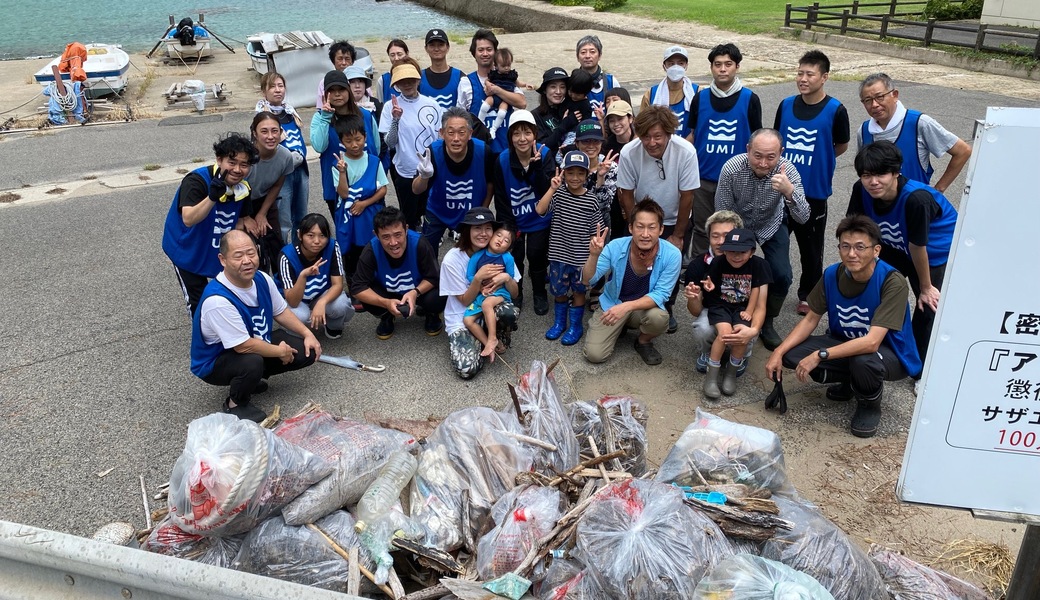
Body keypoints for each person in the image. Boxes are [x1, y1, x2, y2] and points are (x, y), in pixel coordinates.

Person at [765, 215, 922, 438]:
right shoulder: (832, 274)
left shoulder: (891, 281)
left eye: (860, 247)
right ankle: (851, 381)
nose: (851, 254)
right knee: (792, 354)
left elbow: (872, 342)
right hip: (845, 341)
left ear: (876, 250)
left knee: (864, 360)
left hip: (890, 353)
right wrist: (778, 352)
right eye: (845, 247)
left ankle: (869, 404)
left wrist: (820, 354)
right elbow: (811, 318)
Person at [190, 230, 321, 423]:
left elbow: (281, 311)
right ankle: (235, 403)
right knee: (252, 362)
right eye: (238, 256)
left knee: (303, 350)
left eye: (251, 253)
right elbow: (243, 346)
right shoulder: (218, 300)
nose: (247, 260)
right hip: (215, 361)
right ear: (223, 260)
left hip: (252, 342)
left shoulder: (261, 278)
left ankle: (250, 380)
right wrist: (279, 351)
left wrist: (308, 333)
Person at [846, 140, 957, 366]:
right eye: (866, 175)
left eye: (881, 175)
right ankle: (873, 337)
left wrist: (926, 287)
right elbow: (855, 227)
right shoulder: (861, 189)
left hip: (932, 251)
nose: (873, 182)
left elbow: (918, 247)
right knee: (873, 285)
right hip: (895, 245)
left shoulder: (917, 199)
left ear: (896, 173)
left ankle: (919, 367)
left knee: (927, 306)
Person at [714, 128, 809, 350]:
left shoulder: (788, 171)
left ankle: (767, 320)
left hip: (771, 223)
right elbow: (722, 211)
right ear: (748, 150)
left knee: (782, 274)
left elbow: (803, 217)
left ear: (781, 153)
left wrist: (789, 192)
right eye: (757, 155)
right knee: (733, 268)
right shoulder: (732, 168)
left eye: (770, 157)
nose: (764, 163)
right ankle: (733, 311)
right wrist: (734, 244)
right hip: (739, 223)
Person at [773, 50, 850, 316]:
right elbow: (776, 142)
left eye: (810, 74)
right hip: (781, 188)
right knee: (775, 242)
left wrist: (820, 160)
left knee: (811, 250)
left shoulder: (836, 110)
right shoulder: (785, 105)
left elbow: (840, 145)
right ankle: (771, 288)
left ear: (824, 77)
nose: (803, 79)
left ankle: (809, 295)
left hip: (813, 193)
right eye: (799, 73)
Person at [617, 105, 700, 333]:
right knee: (633, 261)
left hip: (676, 216)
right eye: (646, 137)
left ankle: (666, 306)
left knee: (669, 263)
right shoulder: (629, 152)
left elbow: (688, 195)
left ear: (669, 134)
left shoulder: (686, 151)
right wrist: (635, 225)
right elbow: (625, 191)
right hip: (642, 216)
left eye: (658, 137)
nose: (651, 142)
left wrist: (678, 234)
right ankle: (630, 305)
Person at [163, 133, 257, 316]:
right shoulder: (196, 181)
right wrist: (212, 197)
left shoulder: (242, 188)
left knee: (228, 294)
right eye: (232, 162)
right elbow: (188, 218)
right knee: (197, 302)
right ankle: (204, 341)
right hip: (187, 249)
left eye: (244, 165)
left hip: (215, 248)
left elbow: (239, 221)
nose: (237, 169)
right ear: (219, 160)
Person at [583, 199, 682, 365]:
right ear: (630, 228)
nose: (645, 234)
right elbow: (587, 280)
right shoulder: (615, 246)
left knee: (660, 318)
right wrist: (593, 255)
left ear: (661, 229)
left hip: (642, 308)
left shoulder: (672, 254)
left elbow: (662, 294)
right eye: (640, 226)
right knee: (594, 355)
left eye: (652, 227)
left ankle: (643, 341)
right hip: (613, 303)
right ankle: (619, 327)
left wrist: (626, 307)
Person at [688, 43, 763, 260]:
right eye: (717, 64)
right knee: (702, 228)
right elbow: (692, 134)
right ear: (711, 67)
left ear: (737, 67)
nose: (722, 69)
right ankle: (698, 269)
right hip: (703, 177)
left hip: (737, 179)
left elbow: (757, 139)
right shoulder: (700, 98)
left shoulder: (750, 99)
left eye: (728, 64)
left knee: (733, 231)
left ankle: (732, 270)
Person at [440, 207, 521, 379]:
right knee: (466, 369)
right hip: (463, 314)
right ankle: (487, 342)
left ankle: (497, 334)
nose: (483, 233)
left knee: (509, 311)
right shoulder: (452, 260)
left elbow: (514, 294)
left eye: (488, 228)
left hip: (490, 305)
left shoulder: (502, 254)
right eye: (477, 228)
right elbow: (463, 301)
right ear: (467, 231)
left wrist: (507, 278)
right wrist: (477, 279)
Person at [856, 73, 971, 193]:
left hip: (914, 206)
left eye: (880, 97)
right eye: (868, 100)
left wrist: (938, 190)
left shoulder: (919, 123)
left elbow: (963, 151)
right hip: (877, 207)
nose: (874, 104)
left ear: (895, 95)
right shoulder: (864, 131)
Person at [695, 228, 772, 399]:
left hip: (743, 309)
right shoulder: (718, 262)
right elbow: (710, 285)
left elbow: (757, 294)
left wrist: (751, 316)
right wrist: (708, 286)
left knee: (740, 336)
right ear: (725, 250)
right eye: (731, 251)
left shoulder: (760, 266)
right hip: (720, 306)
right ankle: (712, 376)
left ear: (752, 252)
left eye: (742, 252)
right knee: (724, 334)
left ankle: (731, 373)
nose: (736, 256)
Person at [535, 151, 602, 346]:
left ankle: (575, 326)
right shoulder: (559, 193)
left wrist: (593, 250)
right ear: (563, 173)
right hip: (558, 255)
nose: (575, 178)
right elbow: (540, 210)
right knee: (559, 291)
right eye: (570, 172)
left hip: (580, 258)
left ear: (587, 174)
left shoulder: (591, 200)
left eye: (580, 173)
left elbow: (594, 230)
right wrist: (552, 189)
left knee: (579, 292)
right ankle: (559, 323)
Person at [349, 207, 446, 339]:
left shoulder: (420, 243)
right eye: (386, 237)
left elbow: (434, 277)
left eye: (398, 234)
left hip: (419, 291)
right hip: (388, 293)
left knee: (440, 293)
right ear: (376, 235)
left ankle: (431, 313)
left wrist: (415, 292)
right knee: (367, 295)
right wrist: (384, 302)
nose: (393, 242)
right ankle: (386, 315)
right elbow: (357, 287)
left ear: (406, 229)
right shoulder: (370, 250)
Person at [492, 110, 554, 314]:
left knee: (536, 255)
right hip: (514, 218)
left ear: (534, 134)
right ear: (510, 137)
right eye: (516, 133)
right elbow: (500, 197)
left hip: (539, 216)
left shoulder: (544, 154)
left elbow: (546, 190)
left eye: (527, 132)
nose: (522, 138)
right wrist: (508, 227)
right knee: (515, 257)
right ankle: (516, 293)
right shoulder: (502, 160)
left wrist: (535, 168)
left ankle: (539, 293)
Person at [411, 107, 495, 252]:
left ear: (470, 134)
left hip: (471, 211)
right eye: (451, 132)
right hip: (437, 211)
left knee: (475, 254)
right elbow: (416, 189)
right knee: (427, 252)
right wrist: (424, 177)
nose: (456, 138)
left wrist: (483, 208)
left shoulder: (483, 151)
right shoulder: (433, 151)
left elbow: (491, 183)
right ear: (442, 133)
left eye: (461, 132)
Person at [684, 210, 756, 376]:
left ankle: (741, 355)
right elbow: (695, 311)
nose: (721, 242)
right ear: (708, 237)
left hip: (743, 312)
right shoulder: (697, 265)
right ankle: (708, 352)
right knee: (703, 328)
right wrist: (693, 297)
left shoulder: (753, 264)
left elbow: (759, 302)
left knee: (747, 328)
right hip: (714, 311)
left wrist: (755, 327)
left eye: (727, 235)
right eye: (715, 236)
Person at [379, 63, 443, 230]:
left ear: (418, 81)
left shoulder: (432, 104)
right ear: (396, 85)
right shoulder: (390, 107)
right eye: (402, 81)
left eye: (411, 80)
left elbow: (440, 137)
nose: (407, 84)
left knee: (430, 210)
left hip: (431, 167)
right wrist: (396, 119)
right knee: (409, 216)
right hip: (405, 169)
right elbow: (390, 143)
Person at [311, 70, 381, 218]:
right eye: (332, 90)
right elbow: (319, 146)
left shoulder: (366, 115)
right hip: (337, 187)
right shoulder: (319, 118)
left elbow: (376, 148)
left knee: (376, 230)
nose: (337, 94)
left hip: (369, 185)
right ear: (325, 94)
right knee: (345, 232)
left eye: (341, 89)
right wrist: (325, 118)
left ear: (348, 90)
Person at [277, 213, 354, 339]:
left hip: (321, 294)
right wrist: (303, 276)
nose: (317, 241)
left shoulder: (332, 246)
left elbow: (338, 285)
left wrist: (321, 303)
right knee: (299, 315)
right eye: (310, 235)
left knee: (341, 304)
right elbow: (293, 301)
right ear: (299, 235)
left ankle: (333, 326)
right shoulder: (286, 256)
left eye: (322, 236)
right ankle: (295, 333)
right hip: (297, 301)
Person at [332, 114, 388, 279]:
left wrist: (364, 203)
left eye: (358, 139)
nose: (354, 145)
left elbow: (383, 189)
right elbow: (343, 193)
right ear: (341, 141)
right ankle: (354, 286)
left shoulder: (374, 161)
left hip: (370, 213)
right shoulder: (338, 165)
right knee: (352, 252)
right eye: (348, 141)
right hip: (349, 216)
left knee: (373, 248)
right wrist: (342, 172)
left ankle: (375, 282)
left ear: (365, 137)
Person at [255, 72, 309, 245]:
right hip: (280, 175)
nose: (277, 90)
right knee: (283, 219)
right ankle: (283, 255)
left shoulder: (290, 111)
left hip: (300, 169)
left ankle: (300, 252)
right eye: (272, 86)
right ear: (264, 91)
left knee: (301, 216)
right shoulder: (262, 116)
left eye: (280, 86)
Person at [459, 29, 527, 153]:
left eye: (489, 49)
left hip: (505, 150)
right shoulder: (466, 82)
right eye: (480, 50)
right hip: (477, 151)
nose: (485, 53)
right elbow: (459, 117)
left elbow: (522, 103)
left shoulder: (508, 77)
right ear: (474, 53)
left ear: (495, 52)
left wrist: (496, 90)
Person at [245, 112, 294, 272]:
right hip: (239, 203)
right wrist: (245, 218)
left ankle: (282, 286)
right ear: (254, 134)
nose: (271, 136)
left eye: (275, 131)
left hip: (265, 200)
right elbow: (232, 189)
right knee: (251, 247)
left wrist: (262, 213)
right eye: (264, 131)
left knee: (275, 244)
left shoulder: (285, 156)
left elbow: (276, 185)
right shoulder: (246, 157)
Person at [463, 225, 516, 361]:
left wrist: (505, 277)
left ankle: (493, 337)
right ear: (492, 236)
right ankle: (489, 343)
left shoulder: (507, 258)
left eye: (506, 240)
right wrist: (480, 286)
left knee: (487, 305)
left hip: (500, 293)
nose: (501, 240)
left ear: (509, 247)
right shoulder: (477, 256)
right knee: (467, 320)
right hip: (482, 293)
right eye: (498, 235)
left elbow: (510, 276)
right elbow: (470, 276)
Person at [572, 119, 619, 237]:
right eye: (586, 141)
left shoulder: (611, 167)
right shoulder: (570, 165)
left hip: (600, 222)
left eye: (596, 141)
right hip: (574, 219)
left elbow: (603, 205)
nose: (591, 146)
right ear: (577, 143)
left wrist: (600, 177)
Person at [641, 45, 698, 141]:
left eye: (680, 63)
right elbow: (642, 127)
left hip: (689, 151)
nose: (676, 67)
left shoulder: (697, 93)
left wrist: (682, 149)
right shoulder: (651, 94)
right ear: (664, 66)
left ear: (686, 66)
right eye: (671, 64)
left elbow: (699, 128)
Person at [478, 47, 524, 139]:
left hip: (505, 99)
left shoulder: (512, 75)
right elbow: (487, 80)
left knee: (502, 113)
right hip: (494, 96)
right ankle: (480, 121)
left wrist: (526, 85)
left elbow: (517, 83)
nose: (507, 68)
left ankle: (494, 129)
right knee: (485, 105)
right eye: (503, 66)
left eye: (509, 65)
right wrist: (488, 84)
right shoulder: (494, 74)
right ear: (496, 65)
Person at [419, 29, 465, 110]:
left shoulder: (460, 77)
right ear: (426, 49)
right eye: (432, 45)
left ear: (447, 47)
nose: (436, 49)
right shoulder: (419, 78)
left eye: (440, 45)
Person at [575, 34, 621, 112]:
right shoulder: (572, 83)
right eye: (583, 52)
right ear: (577, 57)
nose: (587, 56)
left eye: (592, 52)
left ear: (599, 55)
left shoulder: (611, 82)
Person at [532, 67, 569, 156]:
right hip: (548, 164)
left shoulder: (570, 112)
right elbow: (542, 147)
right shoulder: (535, 115)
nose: (558, 91)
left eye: (562, 87)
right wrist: (563, 126)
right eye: (553, 87)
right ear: (545, 90)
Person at [316, 40, 356, 110]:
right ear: (333, 61)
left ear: (352, 61)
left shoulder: (360, 80)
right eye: (340, 59)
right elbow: (320, 108)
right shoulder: (324, 82)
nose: (343, 63)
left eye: (347, 59)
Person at [377, 39, 409, 103]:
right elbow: (380, 105)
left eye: (399, 54)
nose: (396, 58)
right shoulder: (383, 80)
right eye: (392, 55)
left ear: (407, 54)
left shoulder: (416, 76)